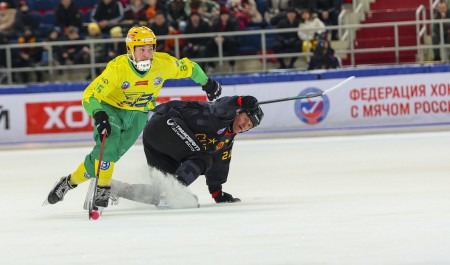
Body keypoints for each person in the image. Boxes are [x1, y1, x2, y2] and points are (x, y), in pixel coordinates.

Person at [45, 26, 223, 211]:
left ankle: (69, 182)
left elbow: (190, 68)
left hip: (138, 115)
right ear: (131, 50)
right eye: (142, 49)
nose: (147, 54)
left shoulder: (162, 64)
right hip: (111, 110)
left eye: (150, 49)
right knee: (110, 146)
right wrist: (99, 114)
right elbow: (90, 95)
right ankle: (103, 188)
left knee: (106, 157)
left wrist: (207, 83)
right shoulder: (118, 68)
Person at [111, 95, 264, 206]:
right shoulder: (222, 115)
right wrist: (242, 101)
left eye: (249, 126)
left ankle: (110, 187)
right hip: (165, 123)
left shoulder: (227, 139)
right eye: (245, 120)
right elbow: (222, 105)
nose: (245, 126)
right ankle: (173, 194)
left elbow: (220, 163)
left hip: (159, 142)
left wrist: (217, 193)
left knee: (160, 190)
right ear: (238, 112)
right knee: (203, 158)